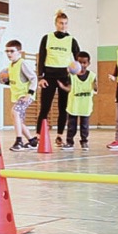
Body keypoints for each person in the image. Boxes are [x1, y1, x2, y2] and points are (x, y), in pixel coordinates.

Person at [36, 10, 81, 146]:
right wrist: (40, 77)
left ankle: (60, 135)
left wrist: (77, 72)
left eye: (65, 24)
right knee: (45, 107)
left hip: (64, 77)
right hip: (49, 76)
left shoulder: (71, 40)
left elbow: (78, 59)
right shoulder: (47, 38)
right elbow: (42, 58)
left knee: (63, 108)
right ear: (56, 23)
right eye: (61, 23)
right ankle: (39, 135)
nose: (63, 26)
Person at [2, 39, 38, 152]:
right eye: (7, 51)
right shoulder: (11, 66)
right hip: (18, 96)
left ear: (19, 52)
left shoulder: (23, 63)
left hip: (26, 96)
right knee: (17, 118)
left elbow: (33, 78)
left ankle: (19, 141)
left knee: (15, 112)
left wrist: (30, 93)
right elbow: (13, 80)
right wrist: (4, 80)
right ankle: (32, 141)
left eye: (12, 51)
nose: (9, 54)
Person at [57, 51, 98, 151]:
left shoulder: (92, 76)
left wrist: (95, 85)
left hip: (85, 105)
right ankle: (69, 142)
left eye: (84, 63)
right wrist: (62, 86)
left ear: (88, 63)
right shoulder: (71, 75)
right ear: (76, 62)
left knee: (84, 126)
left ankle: (84, 142)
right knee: (71, 126)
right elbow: (69, 89)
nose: (82, 65)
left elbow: (96, 89)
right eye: (80, 62)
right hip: (74, 105)